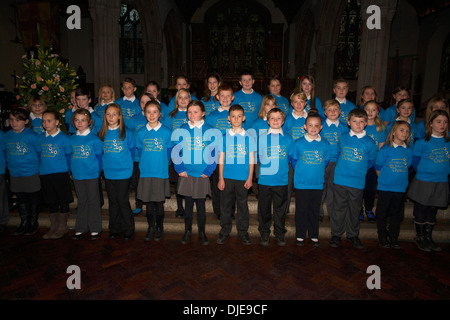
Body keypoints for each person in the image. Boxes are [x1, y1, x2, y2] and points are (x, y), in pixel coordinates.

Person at [173, 100, 219, 245]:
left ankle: (202, 231)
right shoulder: (182, 128)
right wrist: (180, 168)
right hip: (186, 173)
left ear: (203, 113)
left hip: (202, 174)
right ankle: (187, 231)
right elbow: (176, 151)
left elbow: (214, 153)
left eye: (195, 112)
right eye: (189, 112)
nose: (192, 115)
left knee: (200, 205)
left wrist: (209, 170)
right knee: (188, 205)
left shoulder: (210, 130)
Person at [330, 108, 377, 249]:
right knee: (338, 208)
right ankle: (336, 234)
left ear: (366, 123)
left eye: (361, 121)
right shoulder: (343, 137)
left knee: (355, 209)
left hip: (357, 181)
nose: (358, 124)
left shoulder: (369, 142)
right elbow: (339, 155)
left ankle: (352, 234)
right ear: (349, 122)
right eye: (355, 121)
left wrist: (358, 171)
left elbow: (370, 161)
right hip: (340, 180)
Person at [407, 109, 450, 252]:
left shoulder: (448, 140)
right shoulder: (422, 142)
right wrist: (425, 172)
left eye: (445, 122)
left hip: (441, 180)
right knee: (422, 208)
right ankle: (420, 237)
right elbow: (415, 161)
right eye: (438, 122)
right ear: (431, 124)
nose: (442, 125)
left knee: (433, 209)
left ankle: (428, 236)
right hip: (424, 180)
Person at [216, 104, 256, 245]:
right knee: (226, 205)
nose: (236, 119)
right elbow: (221, 158)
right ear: (229, 118)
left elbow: (252, 159)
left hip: (243, 178)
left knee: (242, 205)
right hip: (227, 177)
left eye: (239, 116)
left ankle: (243, 232)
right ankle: (224, 231)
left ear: (244, 118)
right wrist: (220, 178)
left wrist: (250, 177)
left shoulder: (249, 138)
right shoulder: (224, 137)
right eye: (233, 116)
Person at [135, 99, 172, 242]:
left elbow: (169, 152)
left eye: (154, 112)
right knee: (149, 203)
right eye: (148, 112)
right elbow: (140, 150)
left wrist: (164, 164)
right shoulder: (141, 132)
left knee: (158, 203)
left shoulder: (166, 132)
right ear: (144, 113)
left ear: (159, 113)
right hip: (146, 172)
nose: (151, 115)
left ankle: (159, 227)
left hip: (160, 172)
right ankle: (151, 227)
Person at [291, 113, 331, 247]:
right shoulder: (299, 143)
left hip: (317, 184)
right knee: (301, 210)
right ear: (305, 127)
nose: (313, 128)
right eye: (310, 125)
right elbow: (294, 160)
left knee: (314, 210)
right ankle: (300, 235)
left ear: (321, 127)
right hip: (302, 183)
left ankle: (314, 234)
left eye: (316, 125)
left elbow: (325, 161)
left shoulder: (325, 144)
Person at [98, 103, 135, 241]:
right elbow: (101, 154)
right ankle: (114, 228)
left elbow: (131, 154)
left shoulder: (127, 133)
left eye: (114, 114)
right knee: (112, 201)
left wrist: (129, 170)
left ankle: (128, 229)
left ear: (119, 115)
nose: (111, 117)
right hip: (109, 172)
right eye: (108, 114)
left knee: (122, 200)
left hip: (124, 173)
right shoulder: (102, 134)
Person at [257, 108, 293, 246]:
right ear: (267, 121)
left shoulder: (288, 139)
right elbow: (260, 158)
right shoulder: (262, 138)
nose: (275, 121)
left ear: (283, 121)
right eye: (272, 118)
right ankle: (264, 232)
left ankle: (279, 232)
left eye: (278, 118)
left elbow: (289, 157)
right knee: (264, 209)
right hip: (265, 180)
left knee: (280, 209)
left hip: (281, 180)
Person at [374, 120, 413, 249]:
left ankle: (394, 236)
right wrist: (385, 179)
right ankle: (382, 235)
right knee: (382, 212)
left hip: (400, 188)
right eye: (401, 130)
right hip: (386, 187)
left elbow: (407, 166)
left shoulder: (408, 151)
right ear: (394, 132)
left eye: (407, 131)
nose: (405, 133)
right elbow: (378, 166)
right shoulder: (386, 149)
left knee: (396, 214)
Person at [4, 108, 40, 235]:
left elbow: (39, 153)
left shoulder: (32, 136)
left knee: (33, 197)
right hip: (15, 172)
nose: (14, 123)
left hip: (31, 172)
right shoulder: (7, 136)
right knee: (21, 198)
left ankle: (33, 222)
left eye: (18, 120)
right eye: (12, 120)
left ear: (25, 121)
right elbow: (4, 152)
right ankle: (24, 222)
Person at [37, 110, 73, 239]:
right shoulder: (41, 138)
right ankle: (53, 226)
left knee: (62, 199)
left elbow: (69, 156)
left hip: (60, 173)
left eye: (49, 120)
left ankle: (62, 226)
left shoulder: (64, 138)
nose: (46, 123)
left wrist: (69, 171)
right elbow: (38, 155)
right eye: (43, 121)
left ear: (57, 122)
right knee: (51, 200)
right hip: (46, 173)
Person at [69, 109, 103, 240]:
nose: (80, 123)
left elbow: (99, 158)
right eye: (77, 120)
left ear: (89, 122)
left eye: (83, 120)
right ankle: (81, 228)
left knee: (93, 201)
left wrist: (98, 173)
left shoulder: (94, 139)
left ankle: (95, 228)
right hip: (77, 174)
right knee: (82, 201)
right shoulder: (71, 139)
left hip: (91, 174)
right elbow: (69, 157)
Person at [206, 84, 234, 219]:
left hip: (233, 155)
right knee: (218, 183)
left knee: (231, 184)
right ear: (217, 97)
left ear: (232, 98)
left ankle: (230, 210)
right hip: (217, 155)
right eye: (222, 95)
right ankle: (218, 211)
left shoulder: (236, 113)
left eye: (228, 96)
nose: (225, 98)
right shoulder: (212, 116)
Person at [163, 88, 191, 217]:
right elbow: (167, 136)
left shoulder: (193, 113)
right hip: (177, 153)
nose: (183, 100)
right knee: (179, 181)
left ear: (190, 100)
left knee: (190, 181)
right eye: (180, 97)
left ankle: (190, 205)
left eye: (186, 97)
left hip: (191, 154)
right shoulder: (170, 116)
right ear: (176, 100)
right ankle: (180, 207)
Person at [319, 100, 349, 222]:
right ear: (325, 112)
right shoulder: (321, 126)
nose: (332, 112)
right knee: (321, 186)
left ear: (340, 112)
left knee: (333, 188)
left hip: (337, 162)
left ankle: (332, 212)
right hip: (322, 162)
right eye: (329, 110)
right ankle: (319, 212)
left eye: (335, 109)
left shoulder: (344, 128)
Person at [127, 93, 155, 215]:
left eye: (147, 101)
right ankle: (138, 204)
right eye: (142, 102)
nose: (144, 104)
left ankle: (152, 202)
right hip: (138, 157)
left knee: (151, 181)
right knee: (138, 181)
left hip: (152, 156)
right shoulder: (134, 118)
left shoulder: (157, 117)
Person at [283, 90, 308, 215]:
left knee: (304, 186)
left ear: (305, 103)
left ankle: (303, 210)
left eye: (301, 101)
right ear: (292, 104)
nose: (298, 104)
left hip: (306, 158)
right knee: (288, 185)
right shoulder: (287, 119)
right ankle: (285, 209)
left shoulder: (310, 118)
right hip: (291, 156)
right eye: (296, 102)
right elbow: (284, 138)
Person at [361, 100, 387, 222]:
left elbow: (381, 149)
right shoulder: (360, 125)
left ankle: (369, 208)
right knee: (360, 187)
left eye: (373, 110)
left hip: (373, 164)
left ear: (377, 112)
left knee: (370, 188)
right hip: (360, 162)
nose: (370, 112)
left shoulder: (380, 128)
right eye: (367, 109)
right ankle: (359, 209)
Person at [0, 130, 8, 234]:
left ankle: (2, 220)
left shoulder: (1, 134)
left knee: (1, 197)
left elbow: (6, 151)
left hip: (0, 168)